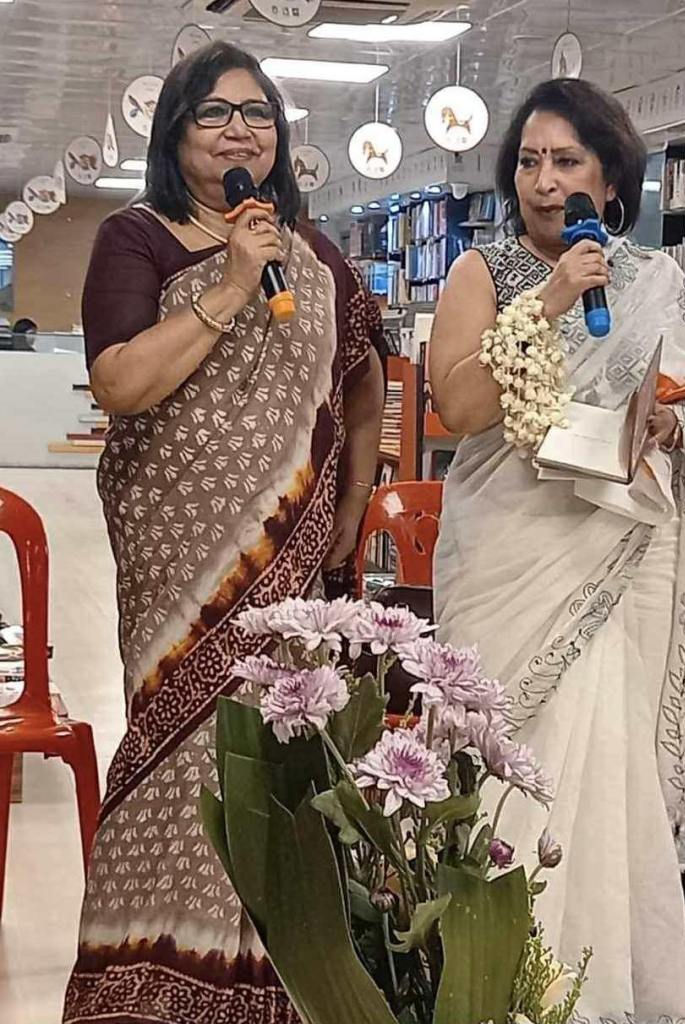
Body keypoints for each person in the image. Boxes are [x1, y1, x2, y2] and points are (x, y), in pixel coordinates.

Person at [430, 79, 685, 1022]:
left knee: (613, 772)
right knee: (513, 770)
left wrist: (669, 423)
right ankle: (495, 987)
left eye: (566, 162)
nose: (545, 182)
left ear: (610, 181)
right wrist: (547, 302)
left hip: (628, 553)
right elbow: (455, 409)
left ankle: (606, 993)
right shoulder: (483, 272)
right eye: (529, 162)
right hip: (512, 552)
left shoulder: (654, 280)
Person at [63, 41, 384, 1024]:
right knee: (185, 764)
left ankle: (279, 994)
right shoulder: (136, 237)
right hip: (181, 567)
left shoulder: (311, 250)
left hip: (294, 569)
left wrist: (351, 507)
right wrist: (232, 284)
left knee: (281, 764)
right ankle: (150, 990)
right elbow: (121, 383)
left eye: (258, 113)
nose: (240, 130)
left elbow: (365, 374)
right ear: (176, 133)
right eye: (214, 112)